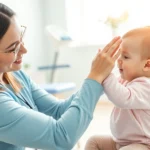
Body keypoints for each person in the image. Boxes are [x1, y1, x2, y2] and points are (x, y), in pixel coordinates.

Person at [0, 3, 121, 150]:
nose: (24, 50)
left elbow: (58, 110)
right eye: (13, 48)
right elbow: (61, 138)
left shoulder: (16, 75)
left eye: (21, 38)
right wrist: (95, 77)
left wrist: (102, 78)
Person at [85, 27, 150, 150]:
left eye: (125, 57)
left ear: (147, 64)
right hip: (120, 141)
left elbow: (122, 98)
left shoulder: (147, 86)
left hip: (143, 144)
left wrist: (107, 74)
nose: (119, 60)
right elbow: (111, 87)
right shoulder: (126, 80)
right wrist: (100, 72)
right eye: (120, 55)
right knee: (94, 141)